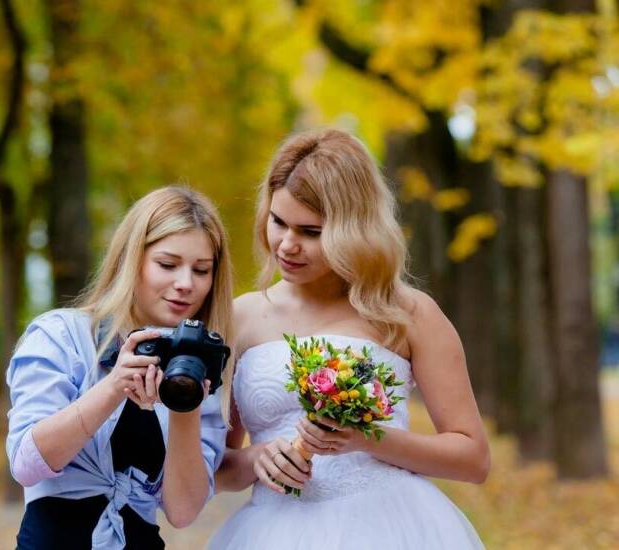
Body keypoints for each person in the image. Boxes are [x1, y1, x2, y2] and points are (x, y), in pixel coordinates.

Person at [209, 128, 489, 549]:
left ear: (353, 229)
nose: (287, 245)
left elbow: (473, 459)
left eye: (311, 232)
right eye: (278, 221)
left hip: (389, 529)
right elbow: (213, 467)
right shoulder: (240, 316)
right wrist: (255, 458)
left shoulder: (407, 314)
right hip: (272, 532)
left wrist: (365, 438)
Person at [6, 186, 234, 549]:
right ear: (132, 260)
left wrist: (184, 403)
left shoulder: (200, 367)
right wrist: (113, 387)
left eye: (201, 270)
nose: (186, 284)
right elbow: (27, 465)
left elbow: (182, 511)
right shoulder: (62, 336)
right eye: (168, 264)